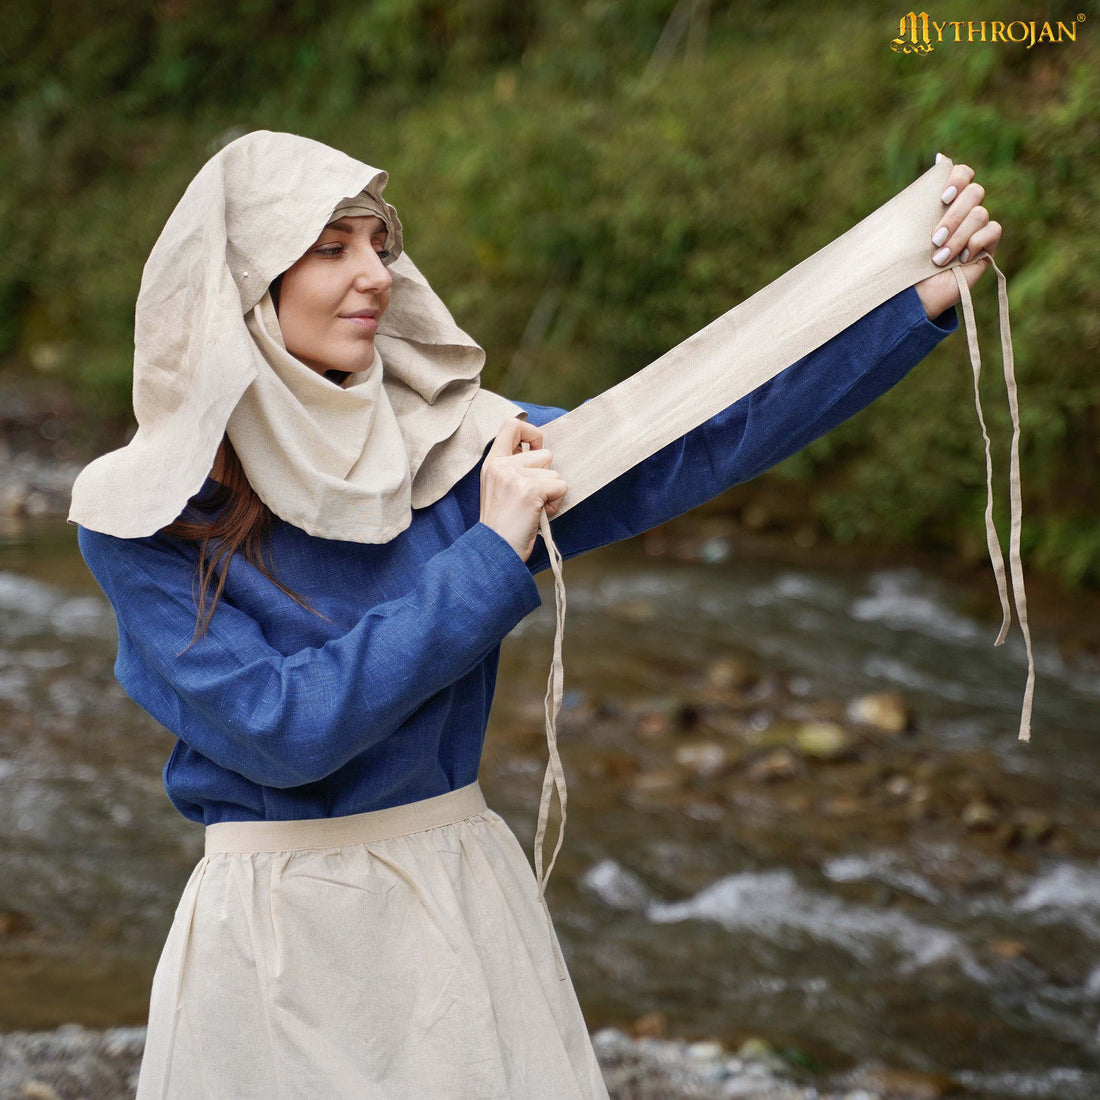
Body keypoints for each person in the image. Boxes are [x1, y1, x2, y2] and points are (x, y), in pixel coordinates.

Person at [70, 131, 998, 1099]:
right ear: (242, 282)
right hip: (269, 930)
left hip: (456, 903)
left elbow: (687, 434)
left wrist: (903, 299)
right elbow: (285, 729)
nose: (375, 275)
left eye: (377, 244)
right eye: (330, 248)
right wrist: (489, 548)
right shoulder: (144, 516)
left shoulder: (458, 445)